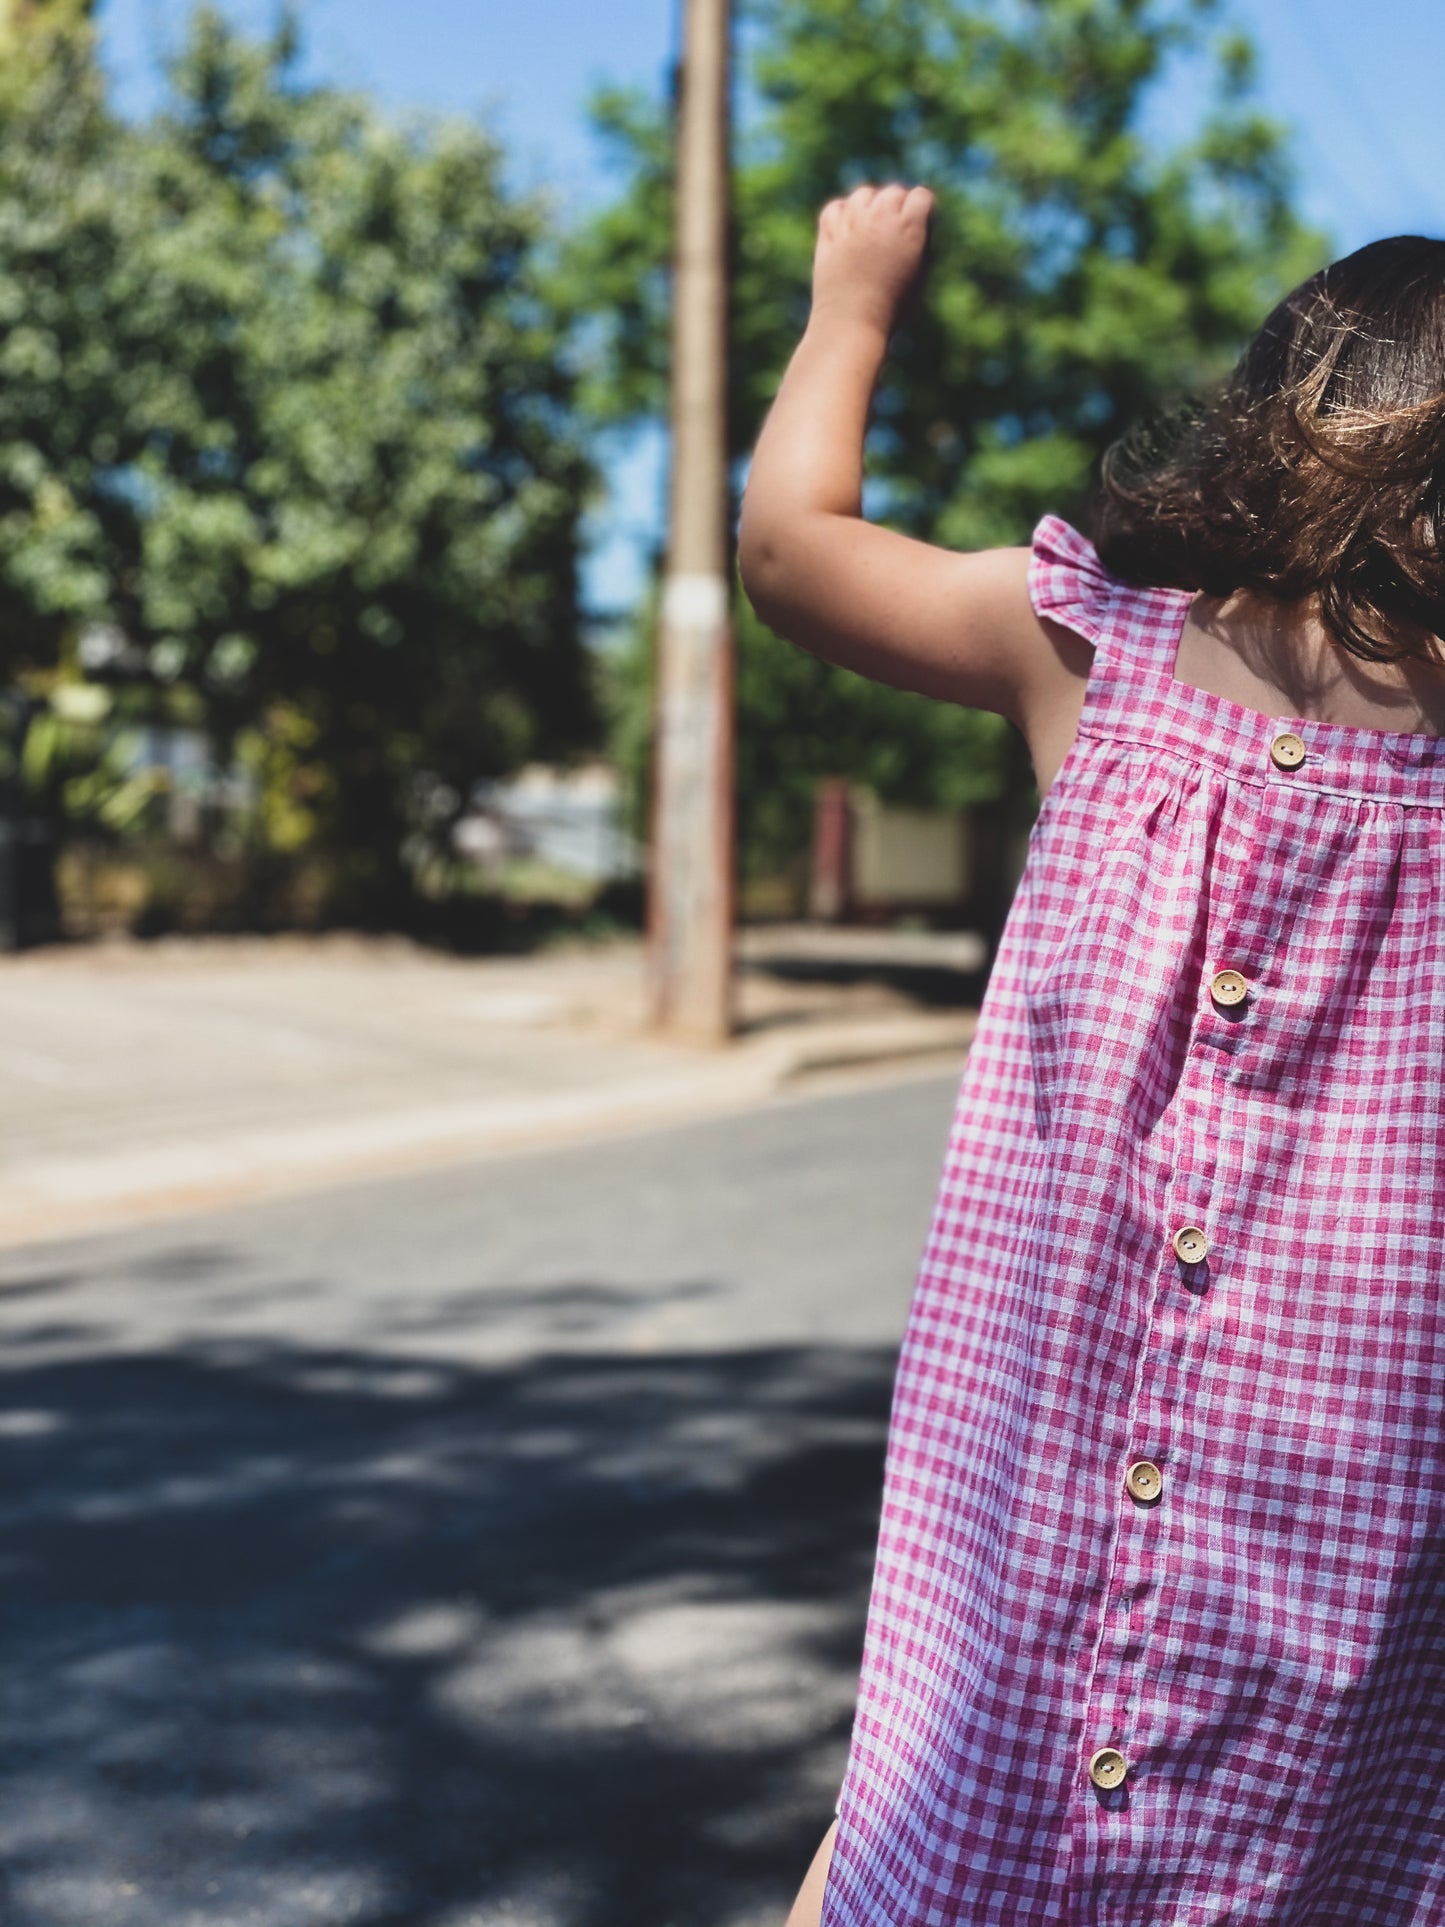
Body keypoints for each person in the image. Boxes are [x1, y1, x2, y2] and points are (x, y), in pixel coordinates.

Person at [739, 186, 1445, 1925]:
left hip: (1052, 1456)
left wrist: (851, 303)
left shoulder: (1095, 652)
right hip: (1352, 1503)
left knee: (952, 1779)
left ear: (1270, 415)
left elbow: (790, 553)